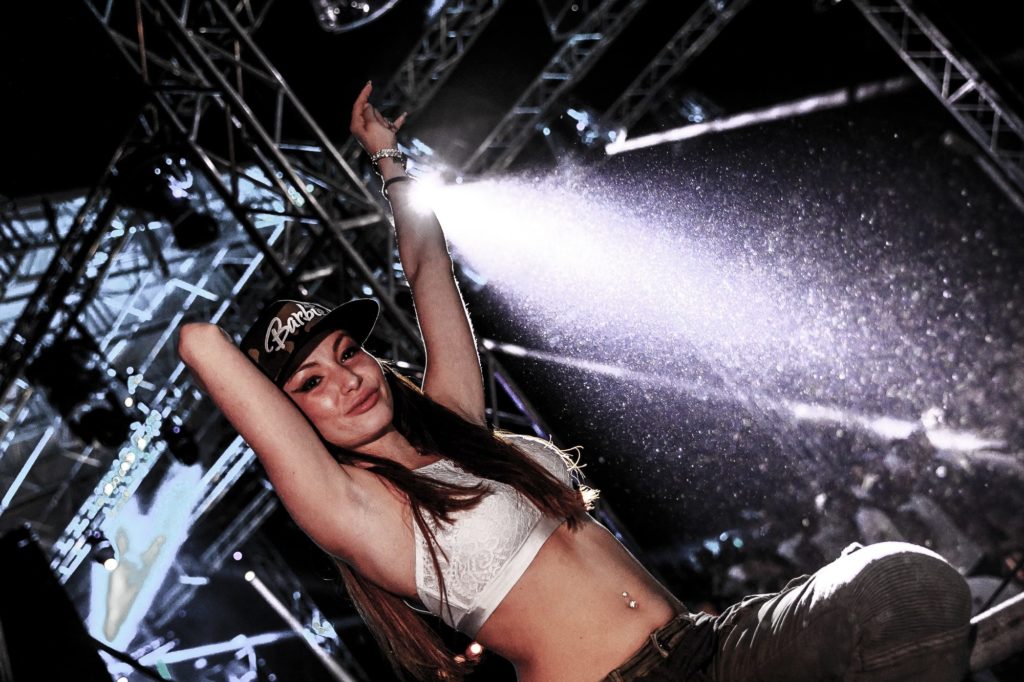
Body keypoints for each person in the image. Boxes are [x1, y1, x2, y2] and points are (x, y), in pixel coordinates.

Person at [177, 82, 974, 681]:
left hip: (707, 645)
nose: (345, 379)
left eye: (348, 352)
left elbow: (427, 268)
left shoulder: (456, 423)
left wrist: (386, 158)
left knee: (903, 587)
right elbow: (198, 341)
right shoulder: (355, 513)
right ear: (291, 417)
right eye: (311, 382)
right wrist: (277, 383)